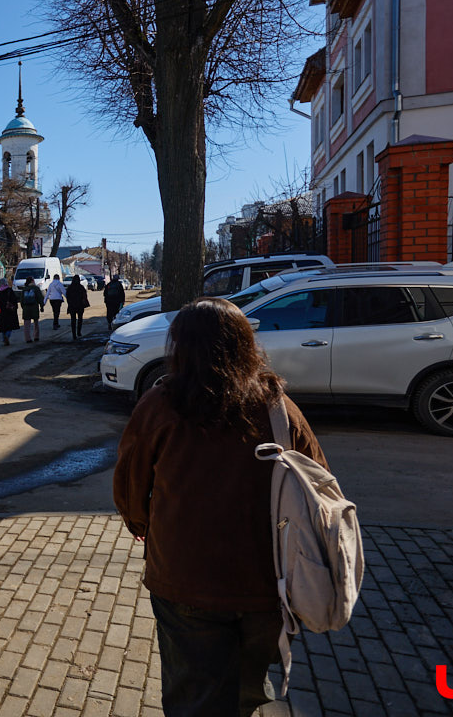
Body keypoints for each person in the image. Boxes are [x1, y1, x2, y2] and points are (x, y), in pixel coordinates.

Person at [114, 298, 329, 717]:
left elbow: (129, 483)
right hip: (268, 583)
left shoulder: (159, 406)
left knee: (193, 693)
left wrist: (141, 523)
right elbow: (319, 484)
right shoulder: (278, 408)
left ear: (180, 347)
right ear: (245, 345)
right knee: (246, 689)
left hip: (184, 577)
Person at [0, 278, 20, 345]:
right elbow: (14, 300)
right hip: (9, 311)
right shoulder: (9, 290)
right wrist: (15, 307)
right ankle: (7, 335)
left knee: (3, 326)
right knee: (10, 326)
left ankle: (4, 338)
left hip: (1, 312)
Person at [19, 276, 44, 343]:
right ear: (32, 281)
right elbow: (40, 298)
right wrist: (42, 306)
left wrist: (23, 307)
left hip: (26, 308)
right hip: (34, 307)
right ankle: (36, 336)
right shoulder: (36, 288)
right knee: (36, 323)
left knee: (26, 324)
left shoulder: (24, 289)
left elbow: (21, 300)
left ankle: (28, 338)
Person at [66, 274, 90, 340]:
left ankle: (74, 334)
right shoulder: (81, 287)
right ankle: (79, 332)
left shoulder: (70, 288)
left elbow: (67, 297)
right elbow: (85, 296)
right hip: (80, 306)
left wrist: (70, 303)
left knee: (73, 320)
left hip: (72, 306)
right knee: (80, 319)